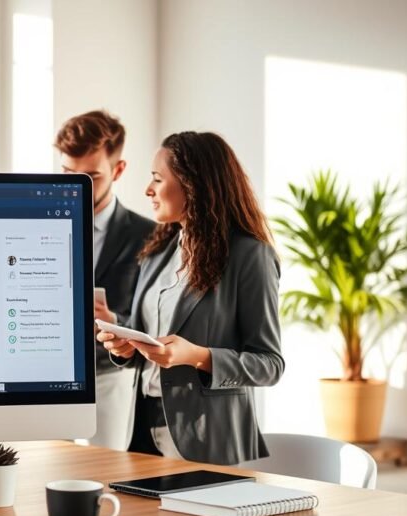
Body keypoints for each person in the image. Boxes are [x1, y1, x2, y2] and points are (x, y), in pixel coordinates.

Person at [96, 131, 283, 465]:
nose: (148, 190)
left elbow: (269, 364)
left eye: (157, 179)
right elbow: (152, 341)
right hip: (141, 431)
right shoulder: (157, 253)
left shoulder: (249, 256)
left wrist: (197, 356)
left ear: (193, 185)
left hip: (207, 438)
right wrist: (123, 341)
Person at [56, 110, 156, 450]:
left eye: (91, 177)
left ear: (119, 170)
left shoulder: (150, 235)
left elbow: (156, 320)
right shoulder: (36, 225)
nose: (75, 188)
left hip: (110, 375)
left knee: (108, 473)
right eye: (68, 174)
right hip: (48, 373)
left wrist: (116, 322)